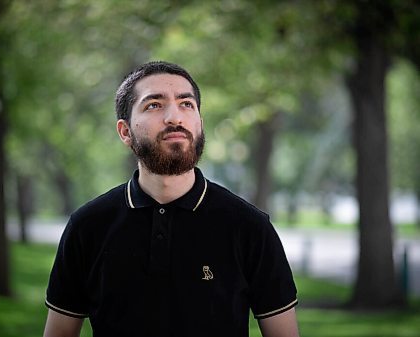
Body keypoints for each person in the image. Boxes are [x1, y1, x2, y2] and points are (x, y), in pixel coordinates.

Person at [43, 61, 299, 337]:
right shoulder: (87, 226)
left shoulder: (250, 227)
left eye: (186, 104)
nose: (174, 117)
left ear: (200, 123)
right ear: (125, 131)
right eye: (154, 105)